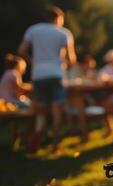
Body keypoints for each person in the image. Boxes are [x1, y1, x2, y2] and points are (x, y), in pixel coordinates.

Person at [17, 6, 77, 153]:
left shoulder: (33, 30)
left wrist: (33, 63)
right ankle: (56, 145)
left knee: (42, 111)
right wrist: (64, 65)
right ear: (58, 18)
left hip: (38, 74)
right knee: (57, 112)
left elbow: (21, 51)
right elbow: (72, 60)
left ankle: (38, 134)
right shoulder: (63, 33)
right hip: (56, 73)